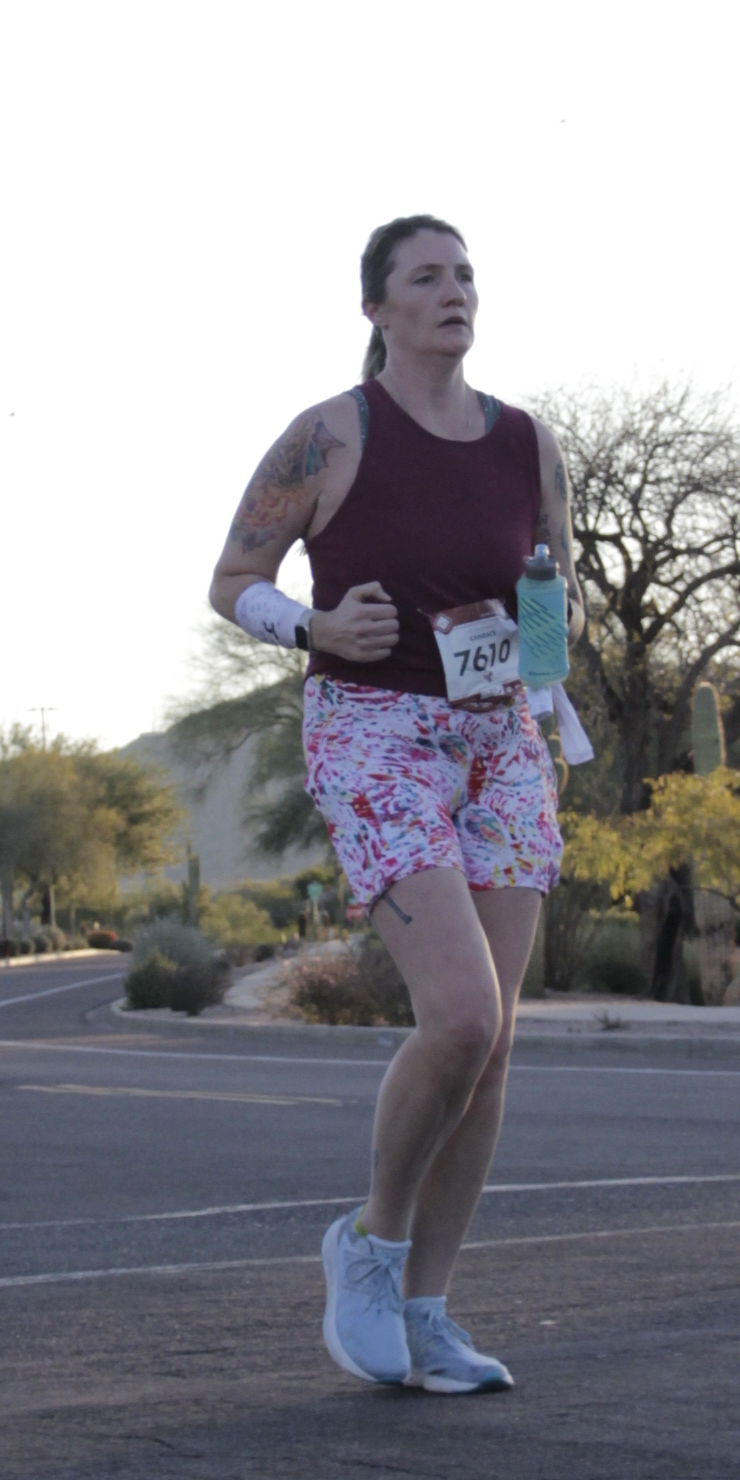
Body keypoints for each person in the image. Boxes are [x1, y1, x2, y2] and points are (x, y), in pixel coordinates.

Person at [208, 214, 585, 1394]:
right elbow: (232, 580)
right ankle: (368, 1251)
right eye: (426, 277)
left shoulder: (528, 443)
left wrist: (544, 661)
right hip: (374, 730)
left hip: (500, 738)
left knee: (497, 1043)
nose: (454, 291)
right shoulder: (333, 435)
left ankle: (429, 1312)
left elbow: (554, 594)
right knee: (460, 1016)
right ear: (377, 307)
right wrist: (314, 627)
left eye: (465, 274)